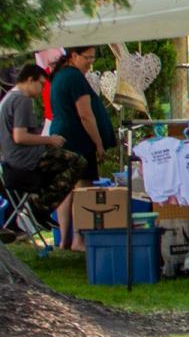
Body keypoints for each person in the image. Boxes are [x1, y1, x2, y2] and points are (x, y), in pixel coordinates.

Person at [1, 64, 86, 249]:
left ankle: (41, 201)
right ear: (29, 80)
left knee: (62, 165)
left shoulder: (8, 98)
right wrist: (49, 139)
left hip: (11, 162)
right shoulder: (21, 99)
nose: (41, 90)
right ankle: (40, 204)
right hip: (25, 160)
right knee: (77, 162)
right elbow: (20, 136)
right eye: (40, 84)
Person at [48, 46, 115, 185]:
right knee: (82, 187)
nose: (90, 62)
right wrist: (99, 144)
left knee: (67, 189)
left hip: (63, 137)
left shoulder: (61, 75)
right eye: (87, 57)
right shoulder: (74, 77)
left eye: (93, 57)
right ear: (74, 56)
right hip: (77, 142)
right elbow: (86, 115)